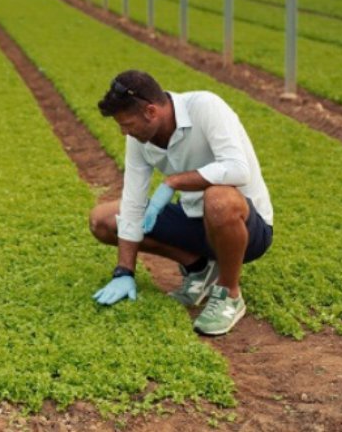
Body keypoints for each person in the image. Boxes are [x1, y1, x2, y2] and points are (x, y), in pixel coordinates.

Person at [89, 70, 273, 335]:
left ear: (151, 112)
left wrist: (174, 182)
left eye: (127, 124)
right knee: (103, 220)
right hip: (196, 220)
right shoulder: (139, 139)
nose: (123, 132)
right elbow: (132, 200)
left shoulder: (206, 107)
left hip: (247, 226)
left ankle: (229, 294)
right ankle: (199, 268)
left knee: (217, 199)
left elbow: (237, 169)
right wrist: (124, 271)